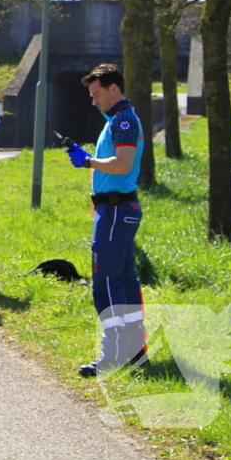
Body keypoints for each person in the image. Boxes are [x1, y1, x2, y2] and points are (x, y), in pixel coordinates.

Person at [65, 63, 147, 378]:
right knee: (125, 283)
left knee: (107, 285)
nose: (93, 101)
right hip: (114, 209)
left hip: (115, 211)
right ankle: (135, 352)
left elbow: (123, 164)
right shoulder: (117, 119)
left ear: (114, 88)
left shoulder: (123, 121)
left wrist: (87, 161)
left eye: (97, 94)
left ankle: (112, 355)